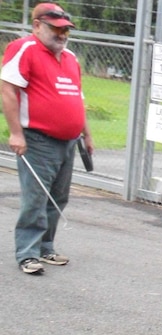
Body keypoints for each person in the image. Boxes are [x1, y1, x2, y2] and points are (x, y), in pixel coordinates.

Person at [1, 3, 94, 275]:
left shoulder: (70, 58)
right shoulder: (25, 48)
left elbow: (78, 97)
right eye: (55, 29)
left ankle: (46, 247)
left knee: (58, 197)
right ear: (37, 25)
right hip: (38, 139)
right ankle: (27, 253)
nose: (62, 35)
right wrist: (16, 133)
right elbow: (8, 90)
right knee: (36, 198)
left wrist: (86, 133)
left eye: (65, 30)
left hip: (68, 141)